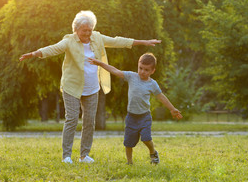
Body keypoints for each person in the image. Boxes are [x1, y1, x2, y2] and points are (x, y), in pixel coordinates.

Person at [19, 10, 161, 164]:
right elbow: (53, 48)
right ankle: (66, 156)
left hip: (92, 88)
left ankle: (83, 155)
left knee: (89, 122)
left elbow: (117, 41)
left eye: (90, 30)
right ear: (76, 29)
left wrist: (143, 42)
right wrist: (34, 54)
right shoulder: (69, 41)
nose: (87, 33)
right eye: (84, 30)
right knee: (72, 119)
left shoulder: (97, 38)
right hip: (72, 86)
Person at [89, 52, 183, 165]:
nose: (142, 71)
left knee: (146, 138)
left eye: (146, 70)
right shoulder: (131, 76)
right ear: (138, 65)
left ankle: (153, 152)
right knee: (128, 143)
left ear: (153, 71)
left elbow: (161, 97)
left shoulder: (152, 84)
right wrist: (100, 63)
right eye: (140, 68)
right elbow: (115, 71)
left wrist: (172, 109)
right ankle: (129, 163)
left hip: (145, 116)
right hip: (131, 117)